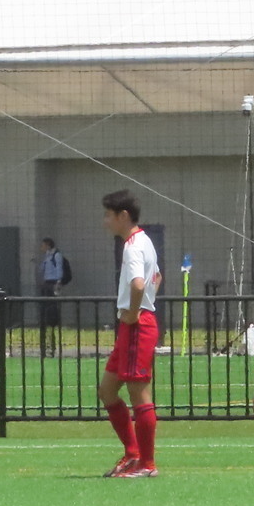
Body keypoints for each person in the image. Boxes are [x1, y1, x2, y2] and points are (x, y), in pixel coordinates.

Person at [98, 190, 163, 479]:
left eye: (108, 216)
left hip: (137, 324)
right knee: (107, 391)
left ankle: (147, 464)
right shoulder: (144, 241)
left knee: (139, 393)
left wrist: (137, 311)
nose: (105, 222)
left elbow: (139, 284)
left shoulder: (133, 247)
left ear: (123, 216)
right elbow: (156, 278)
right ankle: (133, 452)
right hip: (132, 323)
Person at [37, 237, 70, 355]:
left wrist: (58, 283)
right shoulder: (47, 256)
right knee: (45, 308)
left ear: (48, 245)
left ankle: (52, 324)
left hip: (52, 283)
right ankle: (47, 328)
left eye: (43, 245)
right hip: (46, 283)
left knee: (52, 308)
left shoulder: (56, 255)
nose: (41, 247)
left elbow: (59, 269)